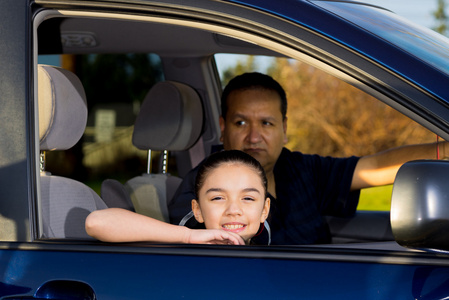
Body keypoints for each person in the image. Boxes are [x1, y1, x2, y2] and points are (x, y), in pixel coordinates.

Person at [169, 72, 448, 245]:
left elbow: (375, 167)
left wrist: (444, 151)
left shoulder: (301, 168)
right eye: (241, 123)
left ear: (284, 129)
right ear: (223, 126)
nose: (254, 137)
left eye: (266, 123)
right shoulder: (202, 188)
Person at [86, 150, 270, 245]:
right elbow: (96, 222)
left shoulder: (273, 258)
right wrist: (187, 236)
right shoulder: (186, 250)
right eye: (218, 198)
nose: (233, 210)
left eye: (247, 199)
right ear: (197, 210)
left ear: (264, 210)